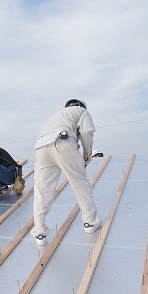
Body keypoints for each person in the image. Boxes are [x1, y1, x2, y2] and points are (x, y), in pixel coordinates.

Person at [31, 99, 103, 246]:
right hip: (62, 141)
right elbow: (87, 131)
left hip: (40, 148)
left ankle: (39, 232)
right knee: (80, 184)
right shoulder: (82, 111)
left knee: (42, 190)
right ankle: (90, 223)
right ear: (82, 106)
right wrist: (87, 154)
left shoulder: (57, 115)